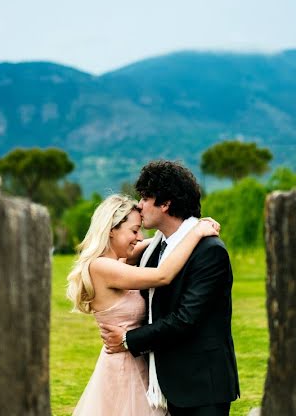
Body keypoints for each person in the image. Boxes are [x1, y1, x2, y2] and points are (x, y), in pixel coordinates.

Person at [100, 160, 240, 416]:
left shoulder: (209, 251)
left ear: (165, 204)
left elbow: (186, 319)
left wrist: (128, 340)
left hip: (202, 386)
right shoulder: (154, 251)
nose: (139, 205)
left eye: (145, 197)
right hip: (164, 385)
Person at [67, 194, 220, 416]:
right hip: (124, 370)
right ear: (111, 229)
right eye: (134, 230)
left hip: (137, 361)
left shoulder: (118, 261)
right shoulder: (102, 267)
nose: (138, 237)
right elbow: (161, 276)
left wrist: (187, 228)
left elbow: (163, 243)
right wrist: (196, 232)